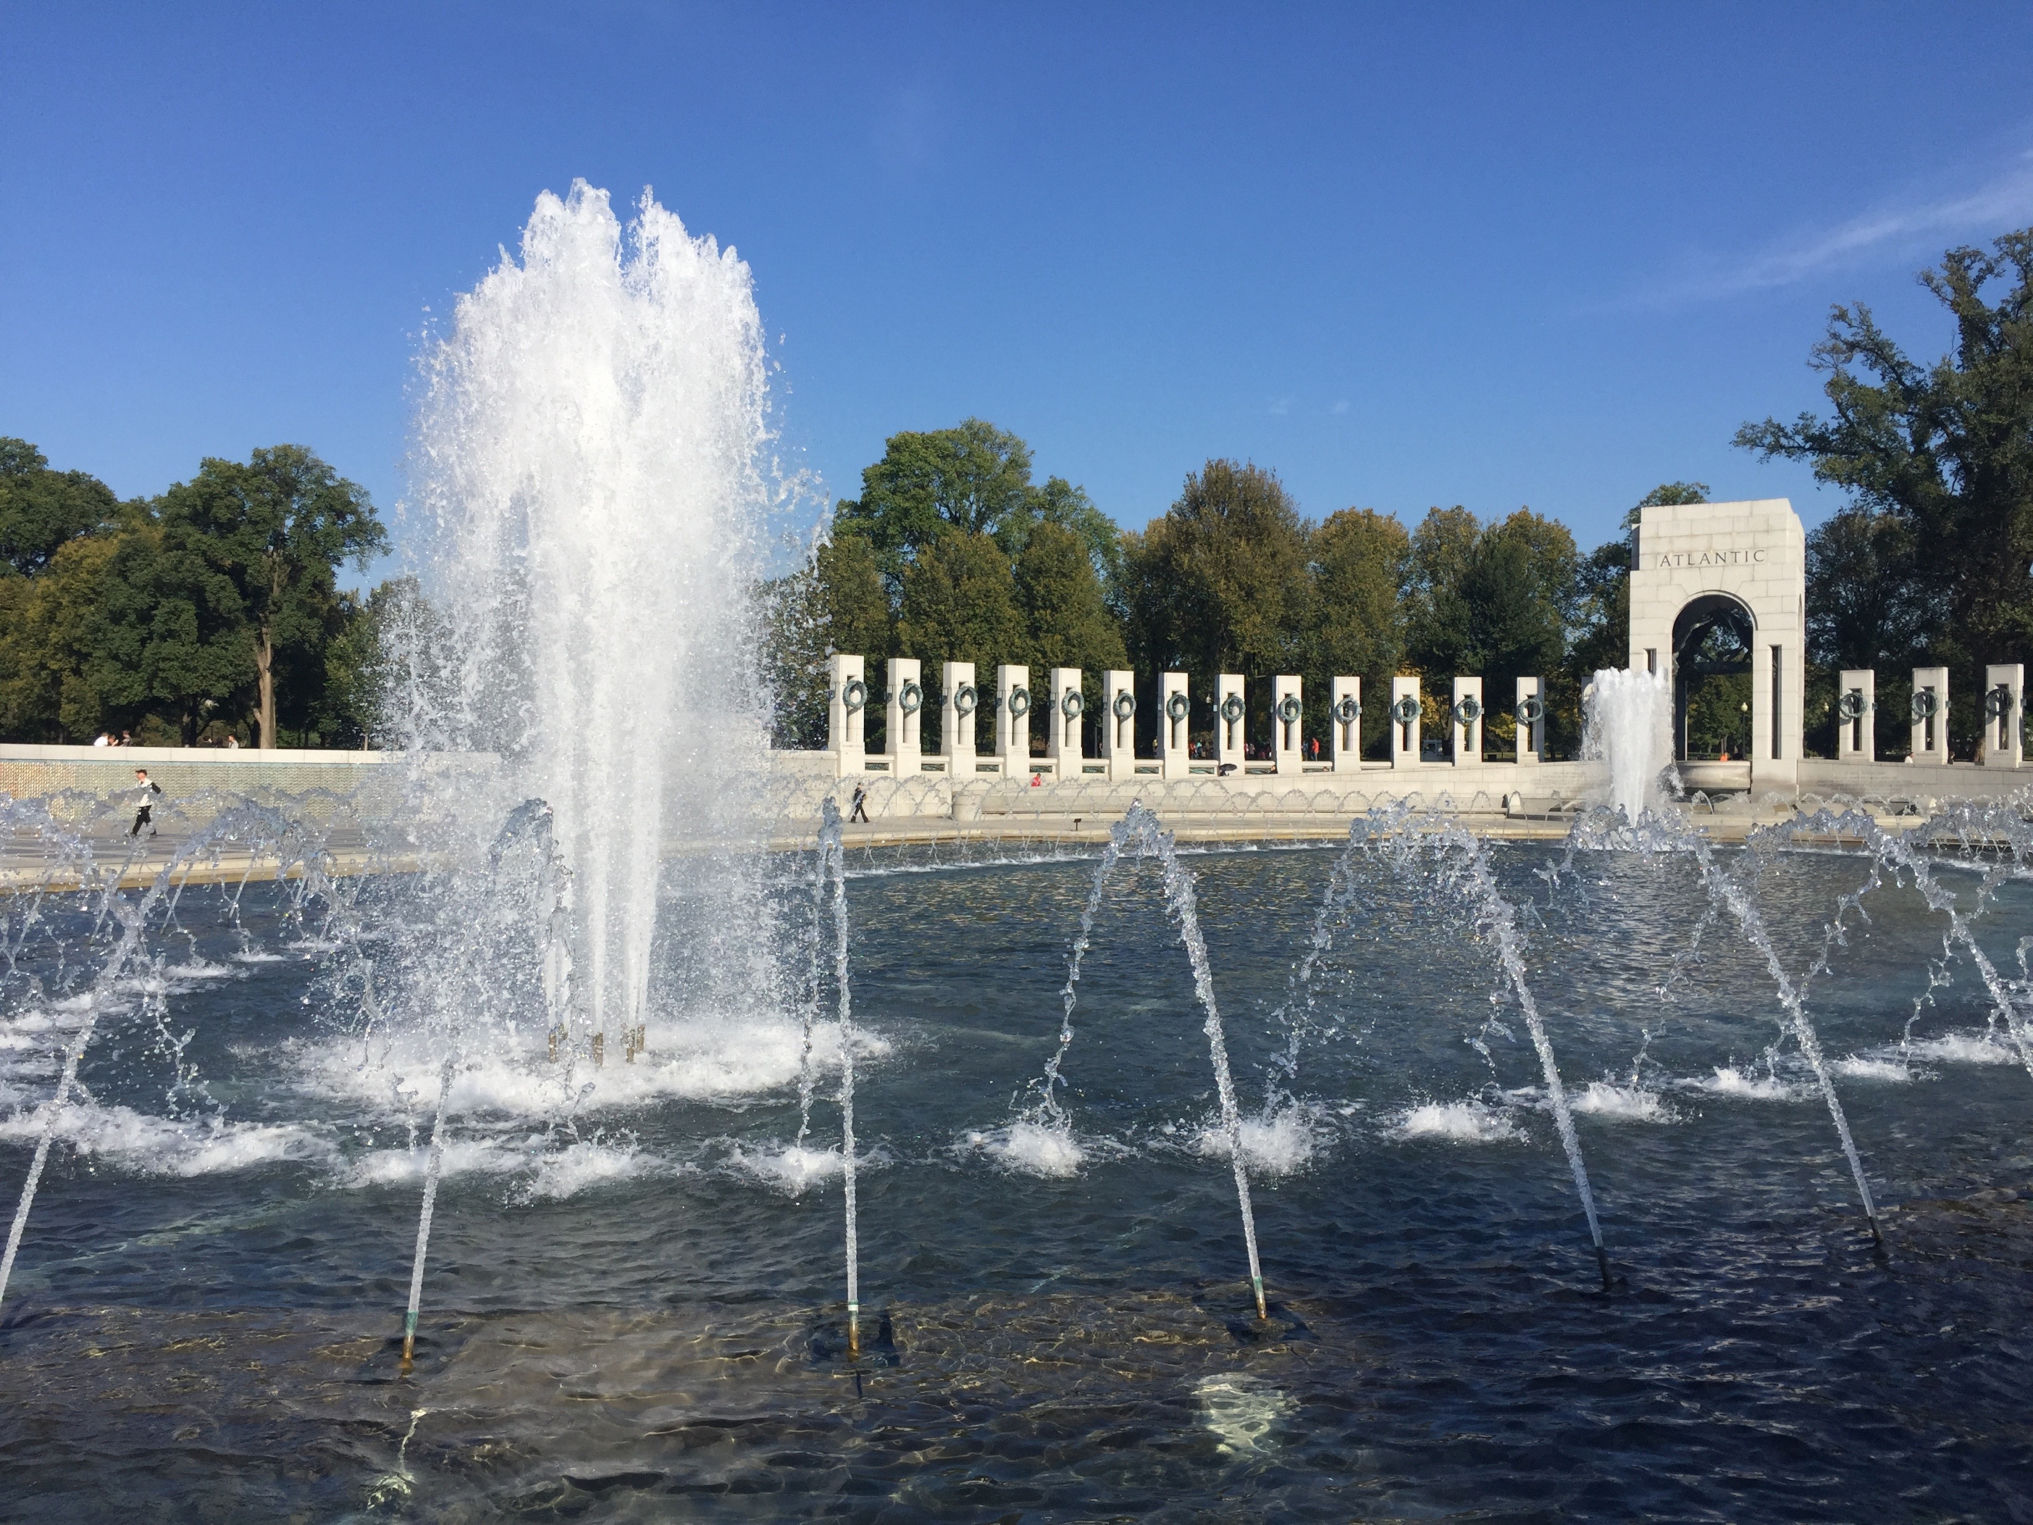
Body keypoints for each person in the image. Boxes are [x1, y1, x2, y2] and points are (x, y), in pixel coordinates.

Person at [130, 768, 161, 837]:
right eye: (137, 774)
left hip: (147, 804)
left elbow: (158, 790)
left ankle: (134, 833)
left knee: (140, 818)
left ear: (143, 774)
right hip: (141, 804)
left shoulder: (149, 782)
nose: (137, 775)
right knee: (146, 818)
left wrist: (152, 796)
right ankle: (153, 831)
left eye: (138, 773)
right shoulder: (138, 783)